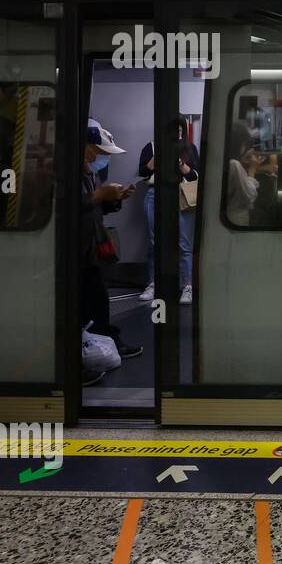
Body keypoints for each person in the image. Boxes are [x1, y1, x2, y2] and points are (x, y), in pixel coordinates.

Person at [81, 120, 141, 375]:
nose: (100, 158)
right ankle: (99, 345)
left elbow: (93, 208)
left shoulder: (88, 173)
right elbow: (70, 207)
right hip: (77, 250)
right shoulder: (65, 171)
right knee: (92, 301)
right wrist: (100, 195)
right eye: (98, 152)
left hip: (89, 248)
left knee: (97, 300)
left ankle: (106, 342)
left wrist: (114, 199)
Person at [138, 119, 200, 305]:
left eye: (179, 130)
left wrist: (181, 164)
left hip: (182, 194)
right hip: (155, 193)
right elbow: (142, 172)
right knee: (154, 240)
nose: (175, 134)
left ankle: (187, 286)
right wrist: (161, 154)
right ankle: (153, 283)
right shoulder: (151, 147)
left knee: (184, 243)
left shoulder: (190, 148)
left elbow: (195, 175)